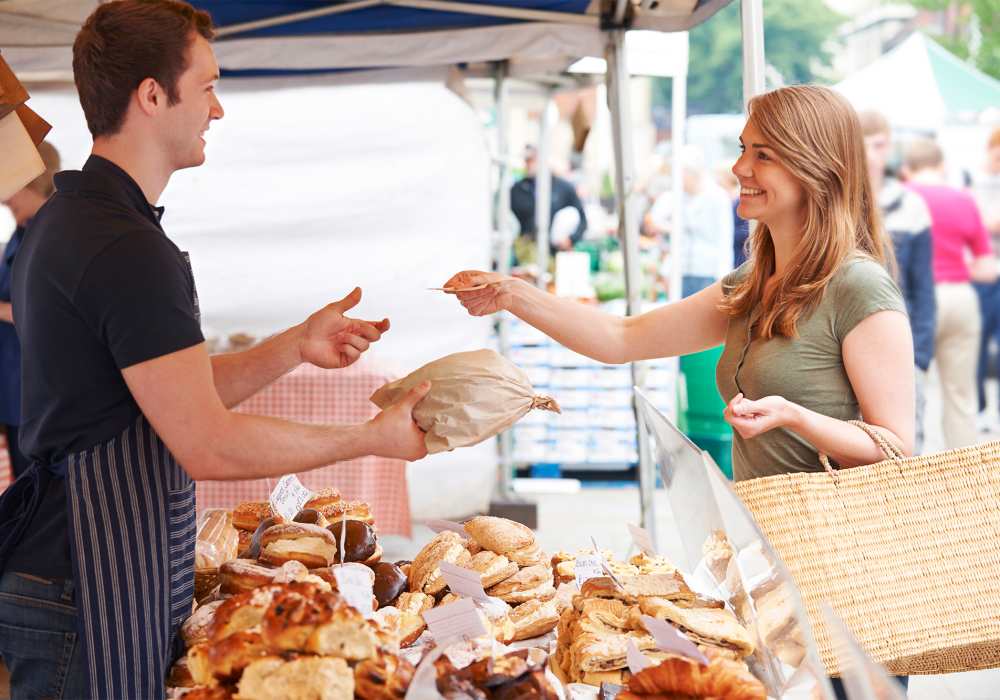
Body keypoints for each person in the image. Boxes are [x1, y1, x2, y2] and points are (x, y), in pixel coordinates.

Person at [0, 1, 429, 698]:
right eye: (206, 86)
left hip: (77, 571)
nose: (218, 109)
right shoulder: (123, 247)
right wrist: (370, 437)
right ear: (151, 97)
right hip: (86, 582)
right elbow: (208, 442)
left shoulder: (76, 220)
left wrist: (295, 345)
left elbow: (169, 393)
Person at [445, 84, 913, 696]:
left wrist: (795, 416)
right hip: (771, 567)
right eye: (745, 149)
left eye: (763, 154)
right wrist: (513, 293)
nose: (740, 168)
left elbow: (896, 450)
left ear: (816, 166)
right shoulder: (753, 283)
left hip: (850, 576)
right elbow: (622, 337)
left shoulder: (858, 286)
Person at [903, 138, 997, 449]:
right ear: (942, 165)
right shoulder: (964, 199)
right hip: (960, 297)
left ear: (907, 170)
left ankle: (907, 480)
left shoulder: (900, 199)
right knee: (961, 396)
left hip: (914, 303)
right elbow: (988, 269)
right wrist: (956, 265)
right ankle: (965, 483)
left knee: (909, 395)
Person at [858, 111, 935, 454]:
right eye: (864, 145)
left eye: (878, 145)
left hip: (901, 341)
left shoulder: (911, 205)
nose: (872, 155)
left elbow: (923, 284)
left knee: (903, 447)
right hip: (850, 341)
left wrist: (919, 355)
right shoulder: (837, 204)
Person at [0, 142, 60, 477]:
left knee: (36, 492)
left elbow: (39, 309)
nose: (3, 195)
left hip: (34, 395)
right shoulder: (21, 230)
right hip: (12, 391)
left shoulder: (51, 232)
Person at [968, 127, 1000, 428]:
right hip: (978, 274)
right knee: (976, 342)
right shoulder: (969, 180)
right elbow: (979, 225)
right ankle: (978, 408)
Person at [676, 146, 734, 297]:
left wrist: (723, 278)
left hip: (708, 272)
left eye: (681, 174)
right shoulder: (679, 197)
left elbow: (724, 237)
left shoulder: (717, 196)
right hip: (682, 271)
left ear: (693, 174)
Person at [510, 146, 587, 256]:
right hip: (524, 252)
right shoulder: (517, 189)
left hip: (554, 253)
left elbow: (582, 219)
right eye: (526, 160)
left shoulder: (564, 187)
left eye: (531, 160)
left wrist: (570, 239)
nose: (527, 165)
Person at [715, 159, 751, 268]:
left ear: (728, 178)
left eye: (719, 177)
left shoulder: (742, 199)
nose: (716, 181)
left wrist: (726, 234)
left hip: (740, 255)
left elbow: (747, 229)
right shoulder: (721, 199)